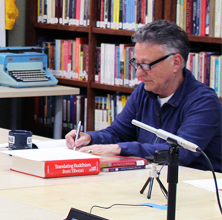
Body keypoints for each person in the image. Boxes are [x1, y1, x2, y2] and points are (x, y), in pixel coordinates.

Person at [66, 20, 222, 172]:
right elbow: (118, 133)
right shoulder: (144, 91)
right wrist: (90, 138)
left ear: (175, 62)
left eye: (146, 65)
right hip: (151, 176)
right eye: (136, 63)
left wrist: (120, 149)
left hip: (192, 183)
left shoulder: (204, 102)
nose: (139, 73)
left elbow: (181, 153)